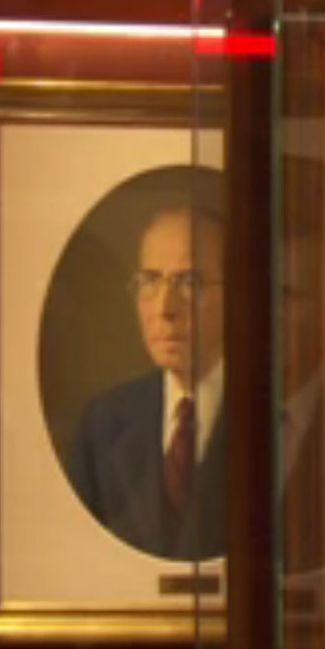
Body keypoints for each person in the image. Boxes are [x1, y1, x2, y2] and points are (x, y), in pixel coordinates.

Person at [67, 205, 226, 560]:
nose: (165, 308)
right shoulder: (103, 421)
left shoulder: (280, 415)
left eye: (190, 283)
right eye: (150, 282)